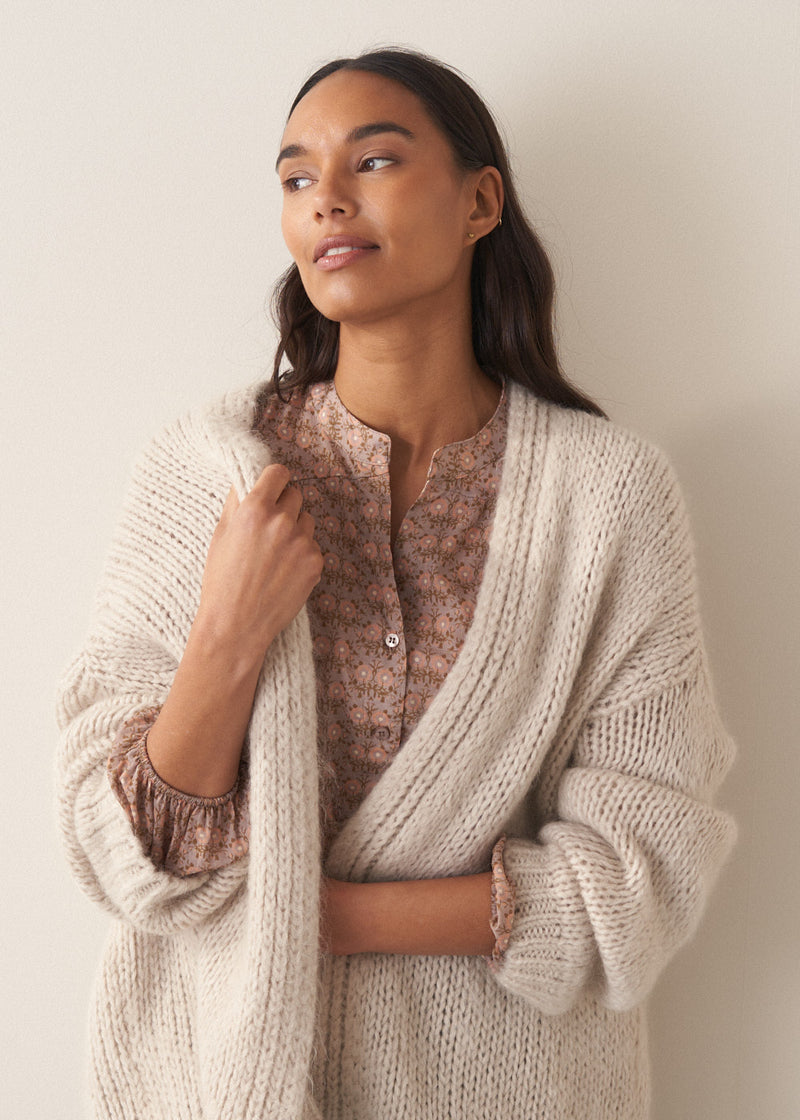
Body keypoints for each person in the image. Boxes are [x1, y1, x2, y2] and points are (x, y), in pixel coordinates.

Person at [56, 47, 735, 1120]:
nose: (324, 196)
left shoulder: (608, 497)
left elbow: (635, 874)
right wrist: (229, 637)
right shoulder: (204, 474)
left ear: (478, 201)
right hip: (214, 1084)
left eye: (371, 160)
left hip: (511, 1091)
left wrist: (311, 916)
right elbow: (119, 848)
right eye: (293, 176)